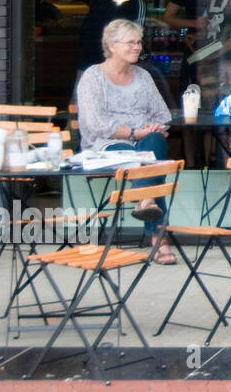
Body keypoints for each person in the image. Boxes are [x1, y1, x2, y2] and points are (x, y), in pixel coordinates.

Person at [74, 19, 175, 263]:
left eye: (139, 42)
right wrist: (134, 132)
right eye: (131, 42)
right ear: (112, 45)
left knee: (155, 143)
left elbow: (164, 116)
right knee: (148, 164)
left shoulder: (143, 76)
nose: (137, 47)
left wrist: (153, 127)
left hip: (142, 144)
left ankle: (145, 200)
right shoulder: (93, 77)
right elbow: (96, 125)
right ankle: (159, 240)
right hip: (105, 146)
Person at [165, 0, 221, 92]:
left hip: (222, 47)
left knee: (220, 92)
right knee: (191, 92)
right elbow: (168, 17)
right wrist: (194, 24)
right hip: (194, 47)